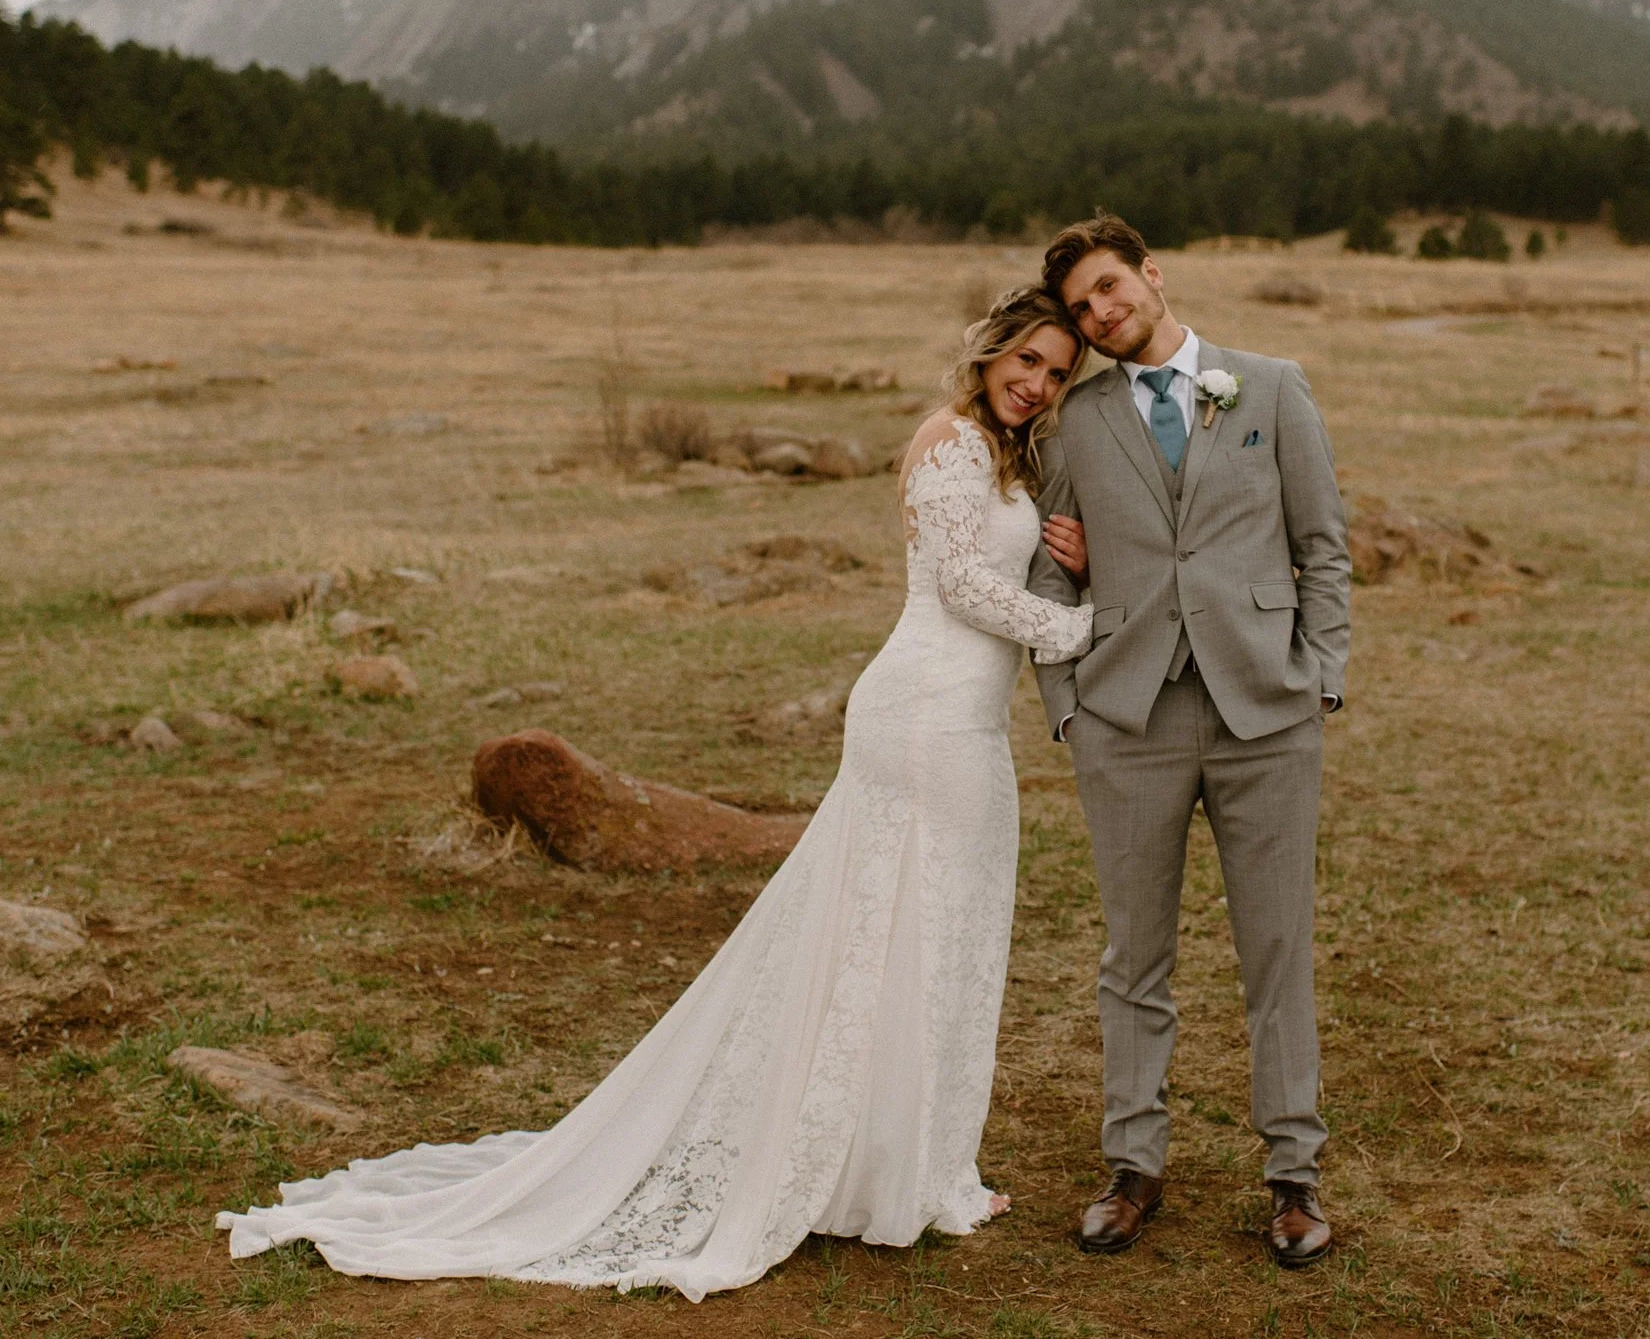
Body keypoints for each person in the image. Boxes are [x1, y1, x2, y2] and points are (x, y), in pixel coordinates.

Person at [217, 288, 1093, 1301]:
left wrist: (1062, 556)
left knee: (944, 941)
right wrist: (1078, 625)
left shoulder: (1006, 454)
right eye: (1023, 360)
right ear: (988, 354)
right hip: (924, 716)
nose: (1034, 381)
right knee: (899, 935)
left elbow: (1000, 566)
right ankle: (885, 1173)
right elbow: (958, 588)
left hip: (969, 722)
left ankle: (924, 1166)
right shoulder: (947, 439)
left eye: (1055, 371)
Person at [1027, 213, 1352, 1268]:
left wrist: (1322, 680)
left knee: (1277, 951)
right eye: (1081, 307)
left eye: (1110, 288)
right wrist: (1066, 705)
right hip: (1128, 718)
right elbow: (1051, 570)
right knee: (1134, 956)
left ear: (1152, 277)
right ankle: (1133, 1167)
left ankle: (1293, 1177)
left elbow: (1323, 549)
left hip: (1267, 712)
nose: (1101, 313)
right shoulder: (1074, 422)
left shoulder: (1270, 385)